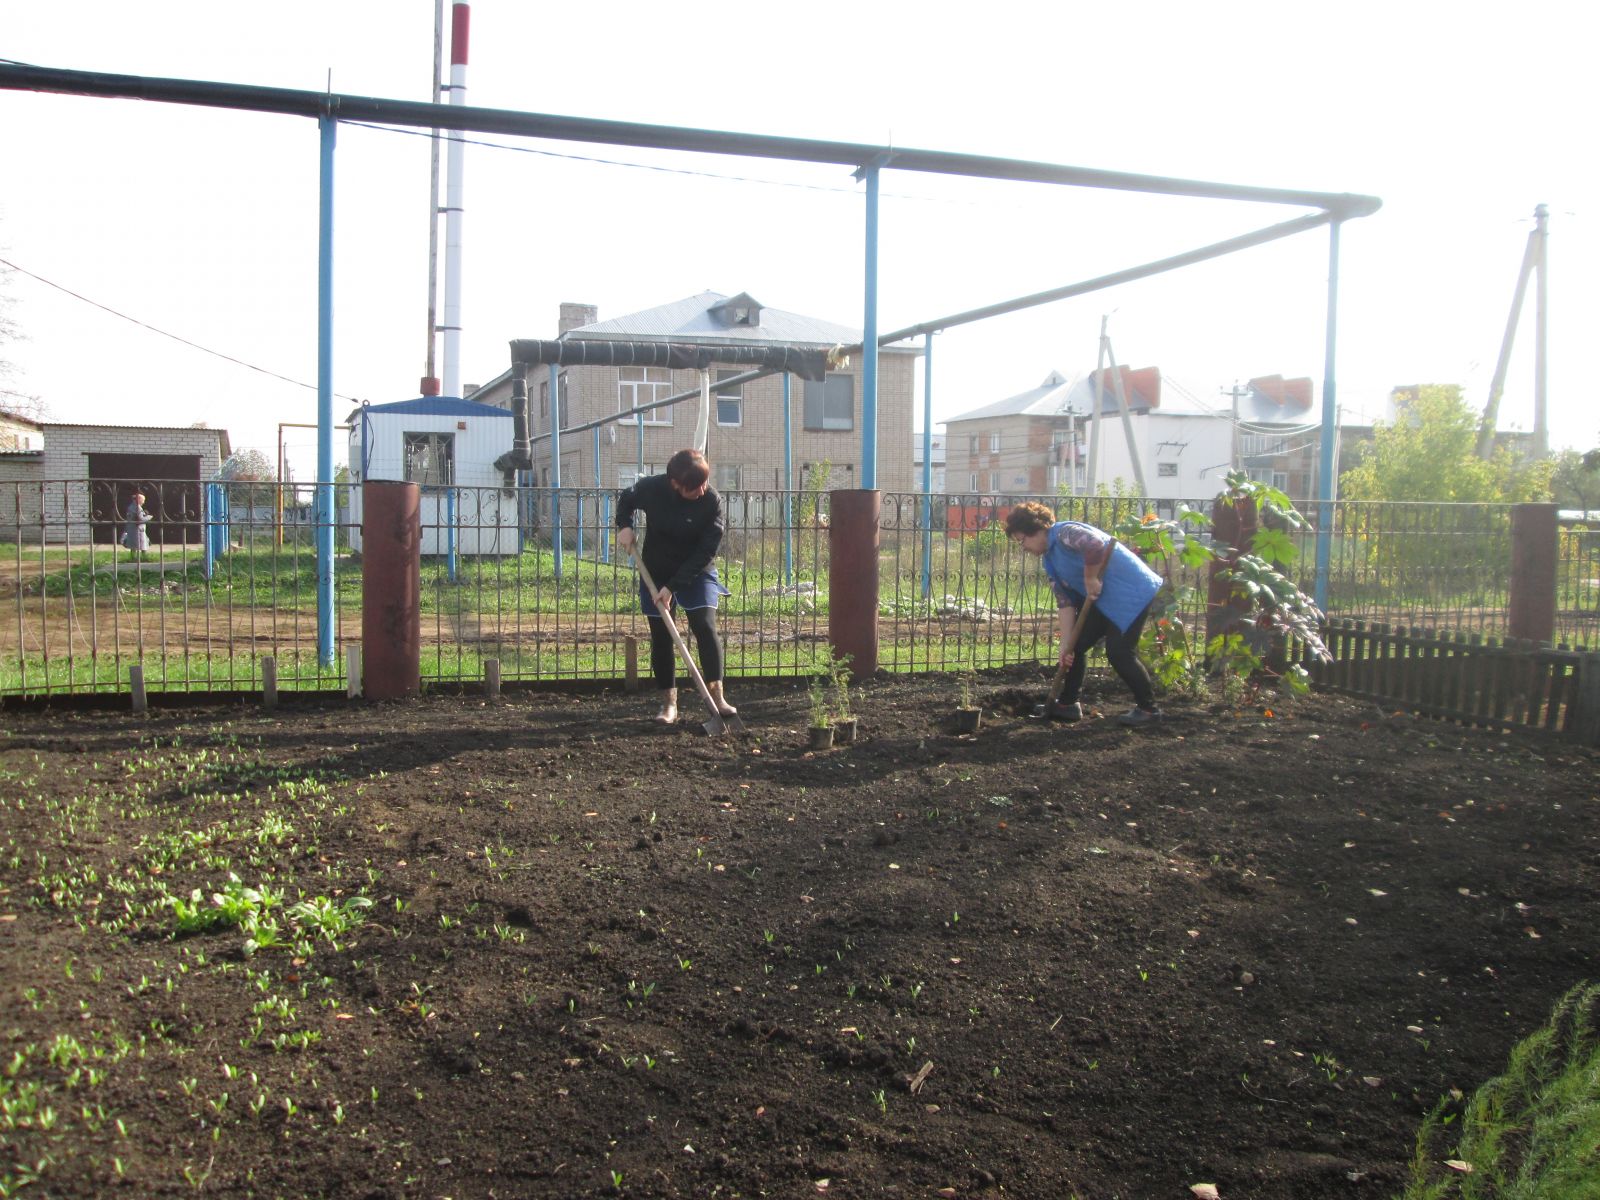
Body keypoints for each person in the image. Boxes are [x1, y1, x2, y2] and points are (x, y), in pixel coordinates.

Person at [1004, 501, 1165, 727]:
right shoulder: (1050, 561)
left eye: (1022, 540)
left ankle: (1149, 710)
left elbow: (1095, 544)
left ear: (1037, 529)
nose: (1023, 547)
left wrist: (1090, 578)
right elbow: (1065, 602)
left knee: (1119, 651)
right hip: (1104, 600)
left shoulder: (1064, 533)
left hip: (1132, 592)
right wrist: (1065, 645)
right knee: (1076, 646)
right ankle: (1068, 705)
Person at [615, 449, 735, 724]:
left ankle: (717, 697)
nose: (702, 490)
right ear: (675, 484)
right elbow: (626, 499)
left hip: (696, 570)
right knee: (661, 634)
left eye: (704, 483)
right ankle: (669, 703)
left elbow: (706, 551)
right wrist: (624, 525)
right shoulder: (652, 488)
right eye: (695, 487)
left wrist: (672, 588)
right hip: (656, 571)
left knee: (704, 625)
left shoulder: (711, 501)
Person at [121, 491, 151, 559]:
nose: (143, 502)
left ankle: (133, 557)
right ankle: (143, 557)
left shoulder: (131, 506)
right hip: (138, 529)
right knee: (142, 544)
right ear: (139, 500)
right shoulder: (138, 507)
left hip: (133, 528)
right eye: (143, 500)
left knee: (134, 545)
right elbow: (141, 518)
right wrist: (149, 517)